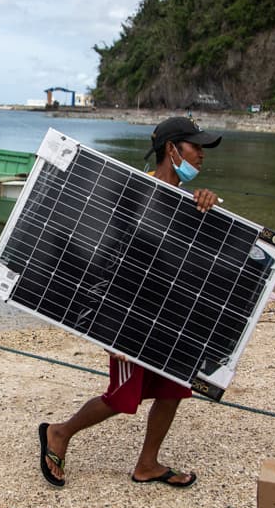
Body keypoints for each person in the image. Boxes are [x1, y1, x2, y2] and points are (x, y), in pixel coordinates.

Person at [38, 116, 222, 489]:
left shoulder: (189, 204)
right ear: (172, 150)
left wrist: (209, 204)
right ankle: (59, 433)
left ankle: (148, 464)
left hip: (168, 316)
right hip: (127, 318)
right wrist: (111, 331)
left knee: (173, 390)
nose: (201, 154)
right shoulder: (136, 196)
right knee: (122, 398)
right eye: (194, 147)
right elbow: (106, 263)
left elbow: (195, 262)